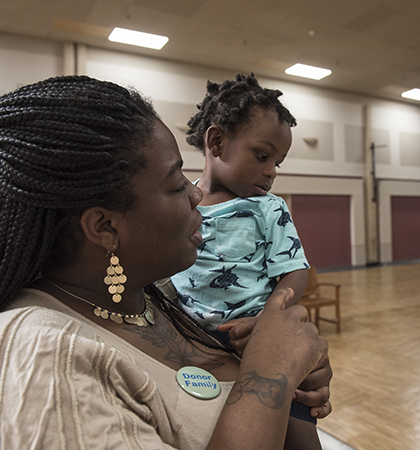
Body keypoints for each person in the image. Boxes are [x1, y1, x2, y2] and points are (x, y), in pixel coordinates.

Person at [0, 75, 331, 449]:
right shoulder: (46, 356)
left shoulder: (147, 298)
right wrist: (271, 371)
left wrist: (291, 361)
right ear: (105, 226)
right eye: (176, 184)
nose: (195, 193)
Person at [170, 74, 308, 353]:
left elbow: (295, 272)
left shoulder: (269, 208)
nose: (272, 171)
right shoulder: (181, 203)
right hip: (185, 337)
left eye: (277, 163)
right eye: (262, 155)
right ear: (217, 142)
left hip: (252, 337)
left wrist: (267, 318)